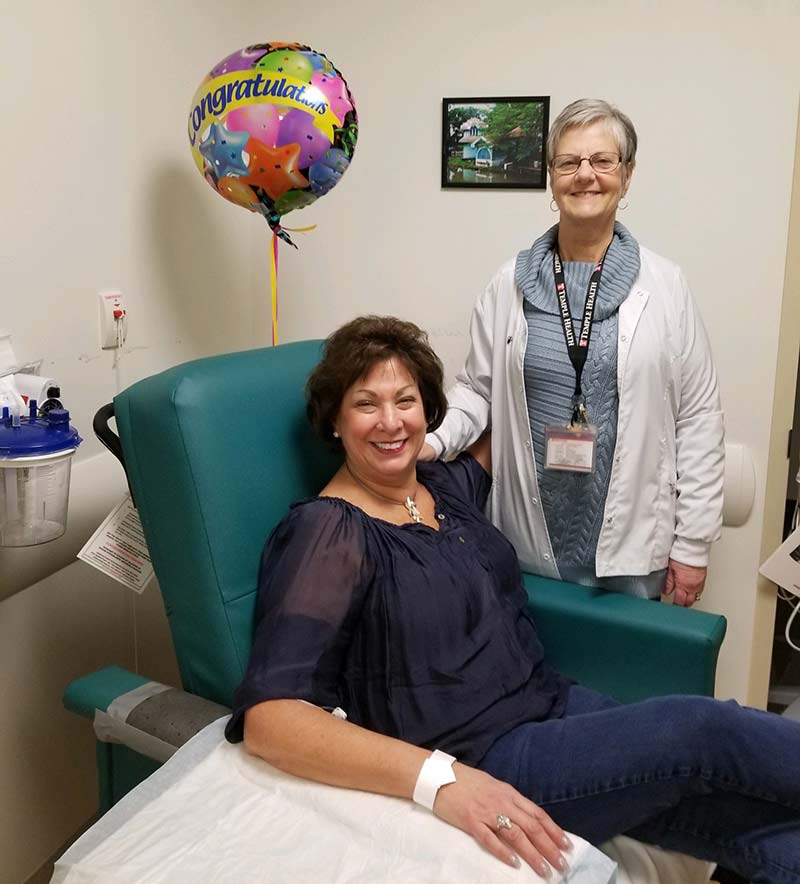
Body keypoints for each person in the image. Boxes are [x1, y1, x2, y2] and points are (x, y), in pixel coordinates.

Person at [227, 316, 799, 882]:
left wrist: (570, 355)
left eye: (405, 400)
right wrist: (442, 780)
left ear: (428, 411)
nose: (390, 422)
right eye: (365, 404)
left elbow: (509, 425)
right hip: (487, 755)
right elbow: (271, 720)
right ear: (333, 421)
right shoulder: (328, 533)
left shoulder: (444, 487)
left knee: (728, 813)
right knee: (701, 729)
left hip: (551, 701)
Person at [421, 99, 724, 606]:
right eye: (569, 162)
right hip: (524, 547)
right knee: (526, 676)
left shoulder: (667, 286)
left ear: (625, 177)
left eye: (603, 161)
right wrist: (431, 442)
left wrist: (692, 545)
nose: (586, 175)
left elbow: (698, 418)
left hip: (631, 552)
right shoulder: (508, 284)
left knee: (622, 680)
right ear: (552, 177)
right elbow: (476, 391)